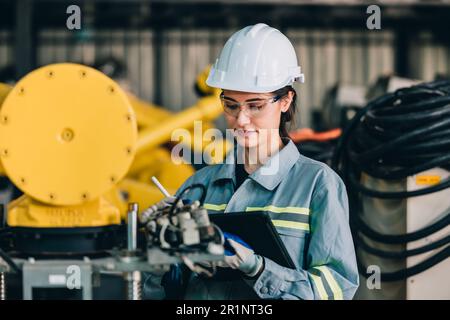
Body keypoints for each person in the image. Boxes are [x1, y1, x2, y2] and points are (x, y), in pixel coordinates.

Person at [144, 23, 359, 300]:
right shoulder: (198, 185)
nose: (241, 120)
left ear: (285, 101)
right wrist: (160, 252)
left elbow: (337, 288)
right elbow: (162, 291)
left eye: (255, 105)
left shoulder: (318, 185)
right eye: (231, 106)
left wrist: (259, 270)